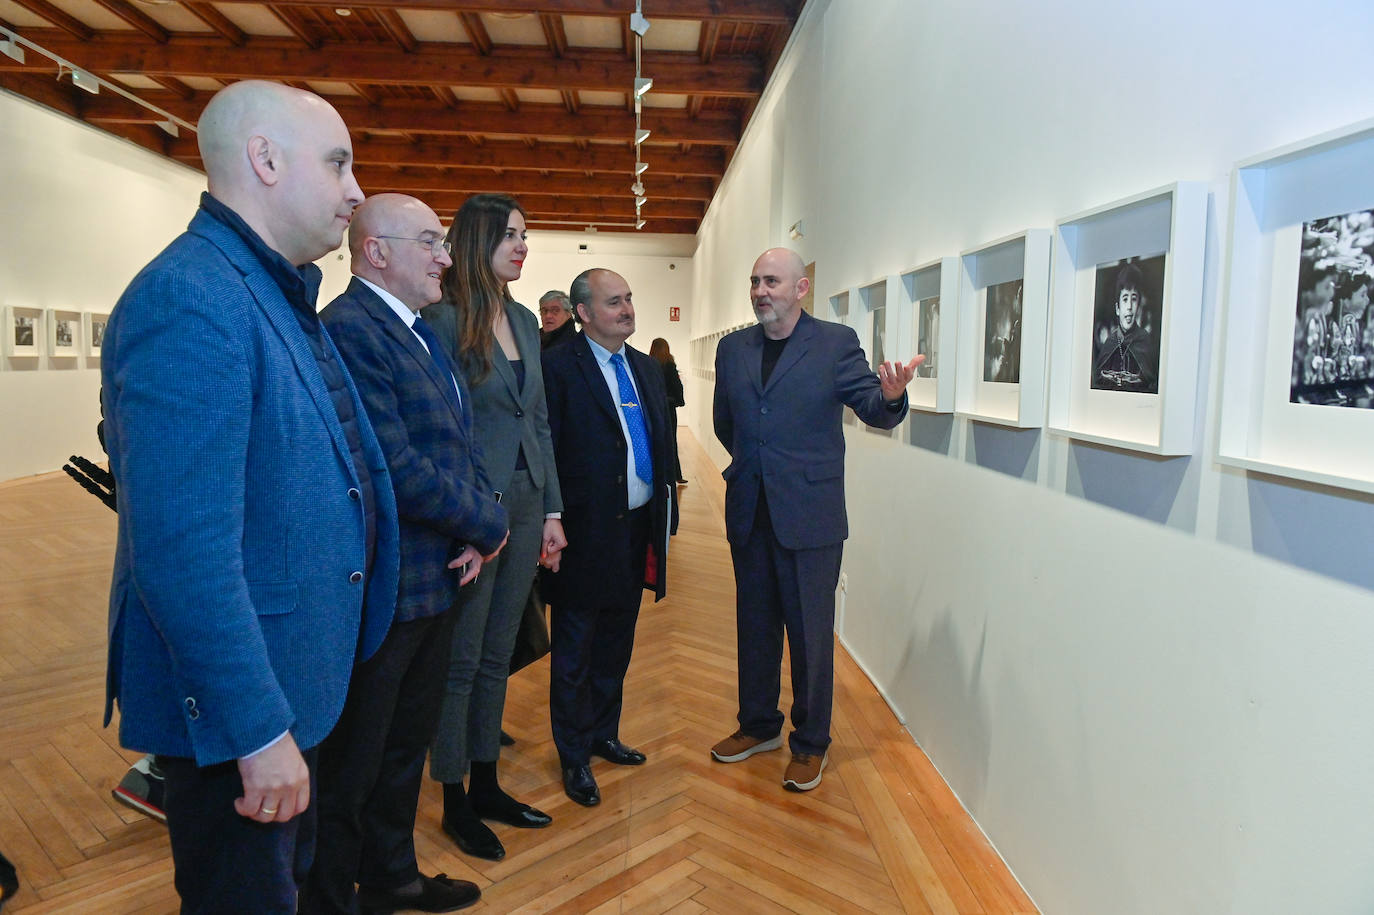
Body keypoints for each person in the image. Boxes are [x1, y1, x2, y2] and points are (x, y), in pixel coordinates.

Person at [100, 80, 401, 912]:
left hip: (294, 683)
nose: (355, 191)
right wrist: (257, 729)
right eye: (338, 163)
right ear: (265, 159)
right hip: (243, 720)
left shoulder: (266, 288)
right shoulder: (191, 297)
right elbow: (184, 553)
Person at [301, 194, 509, 914]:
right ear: (375, 252)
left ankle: (391, 876)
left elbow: (460, 442)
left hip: (437, 578)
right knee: (353, 765)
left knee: (400, 753)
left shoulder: (421, 331)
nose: (446, 257)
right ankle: (333, 896)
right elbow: (393, 462)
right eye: (430, 241)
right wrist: (487, 521)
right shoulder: (350, 330)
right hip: (387, 588)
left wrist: (484, 524)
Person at [709, 247, 919, 792]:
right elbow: (726, 422)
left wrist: (892, 397)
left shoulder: (833, 344)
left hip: (810, 515)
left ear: (801, 289)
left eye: (772, 281)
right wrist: (758, 470)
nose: (760, 290)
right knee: (754, 627)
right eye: (755, 280)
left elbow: (870, 406)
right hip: (751, 510)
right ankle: (757, 725)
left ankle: (810, 743)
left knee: (809, 634)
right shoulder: (734, 349)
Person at [426, 194, 566, 861]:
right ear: (476, 241)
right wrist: (462, 522)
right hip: (474, 514)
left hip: (528, 502)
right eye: (511, 234)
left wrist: (554, 512)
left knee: (496, 655)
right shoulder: (441, 320)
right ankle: (453, 794)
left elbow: (536, 420)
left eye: (526, 233)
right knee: (460, 660)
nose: (522, 245)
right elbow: (439, 433)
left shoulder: (522, 319)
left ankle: (487, 780)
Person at [541, 268, 676, 807]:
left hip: (636, 528)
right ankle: (573, 755)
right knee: (575, 647)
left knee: (617, 641)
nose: (627, 309)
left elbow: (660, 442)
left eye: (629, 298)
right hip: (582, 531)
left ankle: (603, 733)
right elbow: (546, 449)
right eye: (614, 301)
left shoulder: (644, 367)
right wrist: (549, 517)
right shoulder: (557, 368)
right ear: (584, 312)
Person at [1092, 262, 1158, 392]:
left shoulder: (1145, 341)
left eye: (1134, 299)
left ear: (1138, 306)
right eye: (1125, 299)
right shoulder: (1110, 342)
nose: (1129, 307)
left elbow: (1151, 383)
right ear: (1117, 308)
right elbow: (1098, 382)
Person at [649, 337, 687, 484]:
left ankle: (659, 474)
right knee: (671, 441)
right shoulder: (669, 365)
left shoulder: (650, 364)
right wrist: (678, 400)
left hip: (654, 408)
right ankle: (674, 474)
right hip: (668, 409)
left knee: (656, 439)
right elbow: (677, 389)